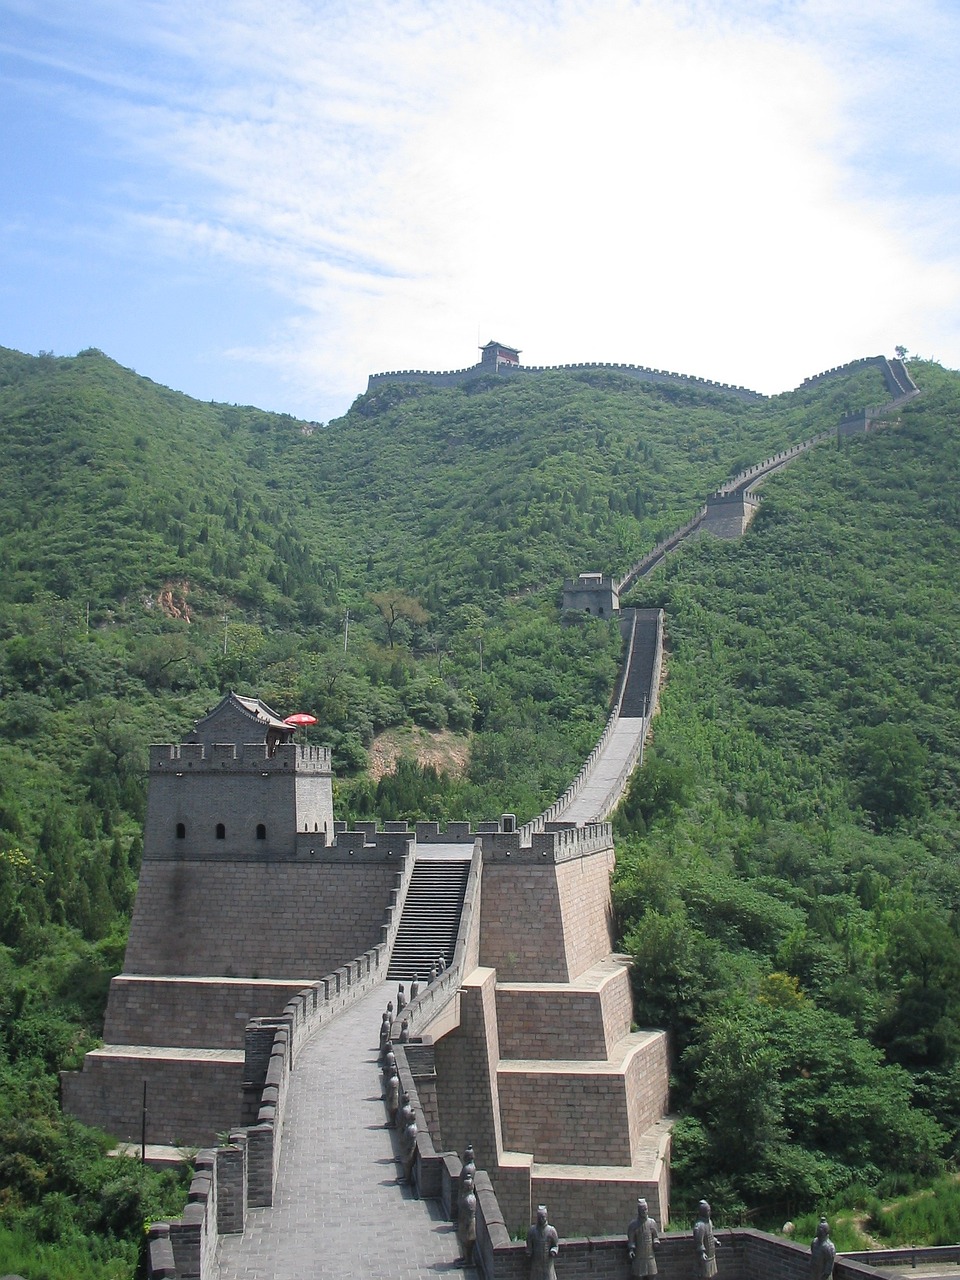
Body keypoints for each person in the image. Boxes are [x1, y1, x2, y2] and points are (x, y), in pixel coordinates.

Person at [627, 1198, 660, 1276]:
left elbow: (655, 1236)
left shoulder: (652, 1223)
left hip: (650, 1255)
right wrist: (631, 1250)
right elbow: (631, 1240)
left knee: (652, 1275)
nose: (644, 1211)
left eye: (645, 1209)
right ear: (639, 1210)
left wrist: (656, 1242)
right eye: (642, 1209)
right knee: (638, 1276)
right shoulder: (633, 1225)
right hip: (639, 1256)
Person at [526, 1204, 559, 1280]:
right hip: (536, 1262)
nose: (541, 1219)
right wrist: (529, 1251)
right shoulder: (532, 1230)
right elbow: (529, 1243)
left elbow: (555, 1245)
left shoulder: (551, 1230)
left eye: (543, 1217)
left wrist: (553, 1251)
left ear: (546, 1217)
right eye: (539, 1217)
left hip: (547, 1262)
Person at [693, 1200, 720, 1278]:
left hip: (711, 1253)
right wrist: (702, 1253)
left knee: (710, 1274)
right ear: (703, 1212)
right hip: (705, 1255)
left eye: (709, 1211)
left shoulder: (709, 1222)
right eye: (708, 1211)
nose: (709, 1213)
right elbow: (698, 1241)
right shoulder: (699, 1226)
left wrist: (715, 1241)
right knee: (704, 1275)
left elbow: (710, 1235)